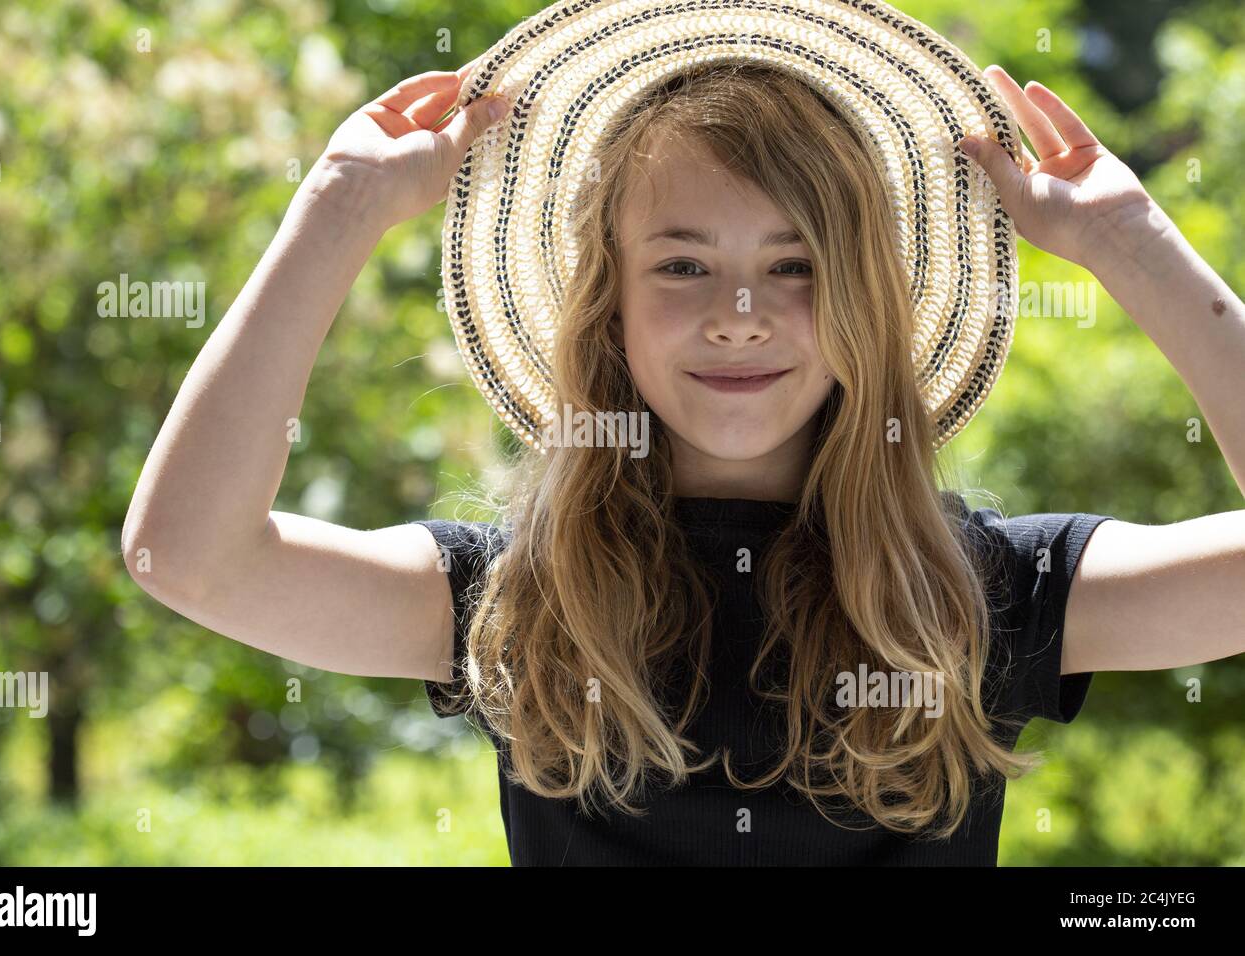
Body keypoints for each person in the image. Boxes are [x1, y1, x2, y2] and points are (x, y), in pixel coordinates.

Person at [122, 24, 1245, 865]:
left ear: (863, 299)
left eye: (796, 264)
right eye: (682, 263)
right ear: (607, 302)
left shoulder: (975, 592)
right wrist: (340, 204)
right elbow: (187, 555)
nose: (740, 311)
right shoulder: (516, 597)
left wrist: (1131, 243)